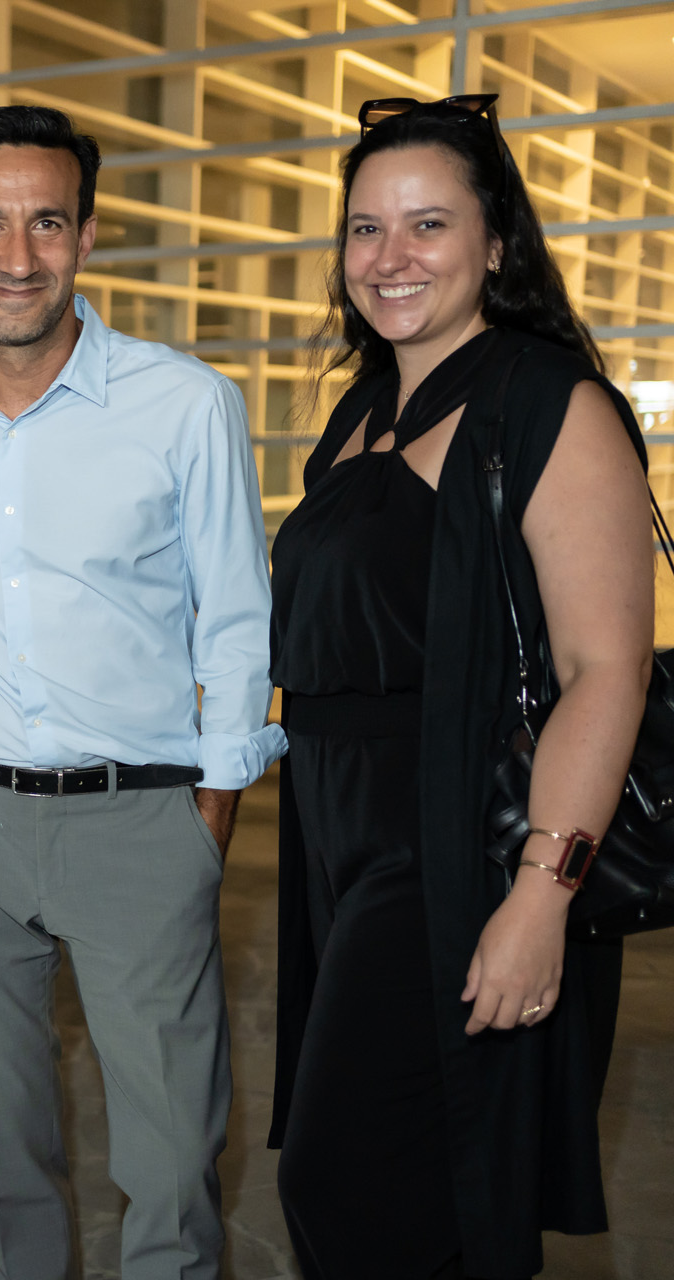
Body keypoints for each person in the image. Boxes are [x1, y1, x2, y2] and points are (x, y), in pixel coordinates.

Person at [0, 104, 284, 1280]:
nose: (18, 255)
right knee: (4, 1147)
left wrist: (210, 807)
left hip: (141, 816)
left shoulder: (183, 403)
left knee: (169, 1159)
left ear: (87, 235)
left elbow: (238, 615)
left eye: (47, 221)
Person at [267, 95, 651, 1278]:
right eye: (366, 229)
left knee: (355, 1173)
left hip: (459, 843)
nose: (391, 257)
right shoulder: (357, 411)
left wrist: (543, 894)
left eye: (428, 224)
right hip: (336, 835)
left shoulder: (550, 403)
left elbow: (605, 670)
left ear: (497, 243)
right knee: (393, 1184)